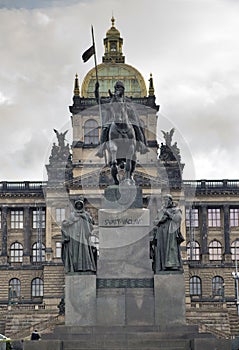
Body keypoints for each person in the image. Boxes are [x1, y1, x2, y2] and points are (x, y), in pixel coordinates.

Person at [95, 80, 149, 158]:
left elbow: (132, 111)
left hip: (128, 119)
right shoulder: (111, 99)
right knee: (105, 129)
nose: (118, 89)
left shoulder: (127, 100)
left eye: (120, 88)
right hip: (113, 120)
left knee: (137, 126)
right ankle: (101, 149)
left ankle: (142, 145)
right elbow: (99, 101)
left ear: (123, 89)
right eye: (116, 88)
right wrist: (96, 90)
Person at [151, 194, 184, 273]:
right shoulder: (161, 210)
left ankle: (172, 266)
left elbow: (178, 219)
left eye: (167, 200)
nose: (165, 202)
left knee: (171, 249)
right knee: (162, 249)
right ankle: (162, 266)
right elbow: (155, 222)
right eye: (164, 200)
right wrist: (161, 220)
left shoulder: (176, 210)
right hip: (161, 233)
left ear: (170, 200)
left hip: (171, 233)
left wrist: (168, 214)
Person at [61, 199, 96, 273]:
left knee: (85, 252)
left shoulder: (86, 214)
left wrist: (84, 217)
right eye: (78, 204)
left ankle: (86, 267)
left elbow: (91, 224)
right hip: (74, 237)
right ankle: (75, 268)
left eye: (80, 204)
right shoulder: (72, 215)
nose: (79, 206)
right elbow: (65, 224)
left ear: (82, 205)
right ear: (76, 206)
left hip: (83, 237)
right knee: (75, 254)